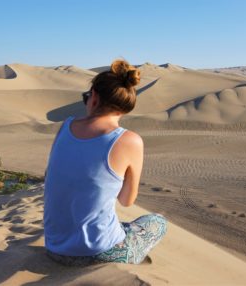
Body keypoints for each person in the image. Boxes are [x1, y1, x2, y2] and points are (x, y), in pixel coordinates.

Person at [43, 59, 167, 266]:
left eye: (87, 97)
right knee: (157, 222)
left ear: (94, 98)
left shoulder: (65, 127)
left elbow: (50, 177)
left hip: (54, 248)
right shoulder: (130, 140)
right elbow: (127, 200)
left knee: (122, 226)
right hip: (99, 254)